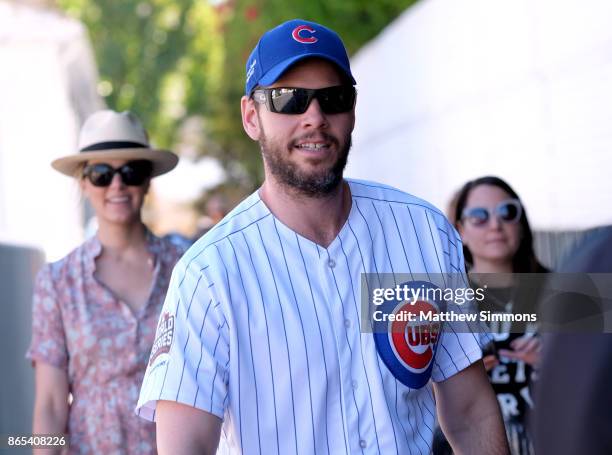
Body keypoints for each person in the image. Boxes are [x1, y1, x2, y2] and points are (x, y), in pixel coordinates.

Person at [136, 19, 508, 454]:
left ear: (352, 111)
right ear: (251, 117)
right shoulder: (208, 274)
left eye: (332, 98)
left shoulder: (423, 231)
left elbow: (470, 412)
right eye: (288, 99)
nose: (314, 117)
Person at [27, 110, 185, 454]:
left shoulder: (184, 271)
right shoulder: (57, 282)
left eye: (131, 172)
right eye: (101, 174)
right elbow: (51, 404)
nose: (117, 185)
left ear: (146, 182)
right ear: (83, 183)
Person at [450, 176, 548, 454]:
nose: (495, 224)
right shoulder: (443, 303)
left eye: (507, 212)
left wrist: (557, 361)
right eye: (479, 216)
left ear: (521, 222)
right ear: (461, 230)